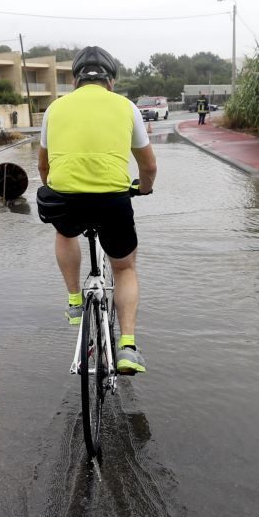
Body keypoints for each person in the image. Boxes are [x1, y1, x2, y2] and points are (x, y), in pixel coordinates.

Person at [37, 46, 158, 375]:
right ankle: (128, 347)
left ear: (75, 81)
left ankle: (75, 302)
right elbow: (148, 166)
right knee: (124, 268)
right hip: (112, 199)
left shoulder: (55, 109)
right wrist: (143, 188)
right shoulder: (126, 107)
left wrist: (55, 185)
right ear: (111, 81)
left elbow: (43, 167)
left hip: (65, 197)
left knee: (64, 232)